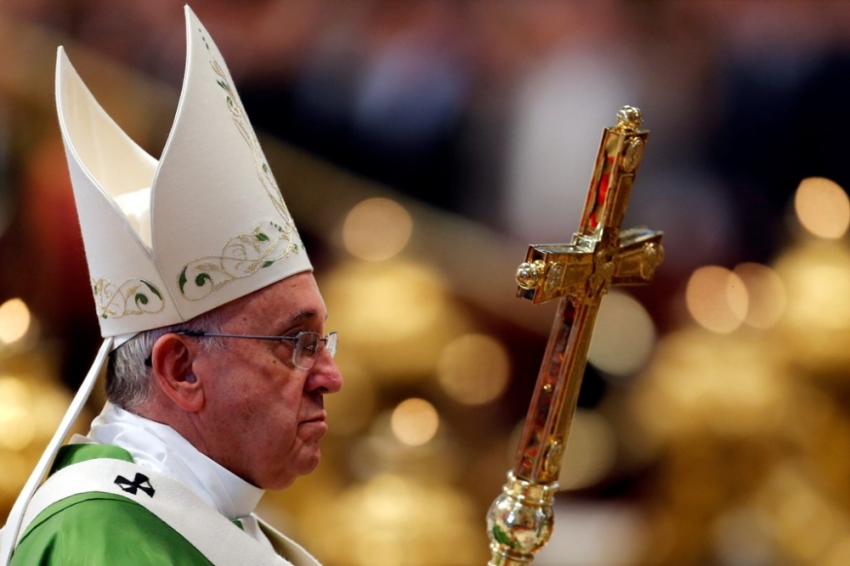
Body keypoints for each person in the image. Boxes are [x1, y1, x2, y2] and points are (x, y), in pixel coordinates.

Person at [0, 6, 342, 565]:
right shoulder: (102, 541)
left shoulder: (222, 518)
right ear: (180, 369)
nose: (332, 376)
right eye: (295, 343)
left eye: (323, 342)